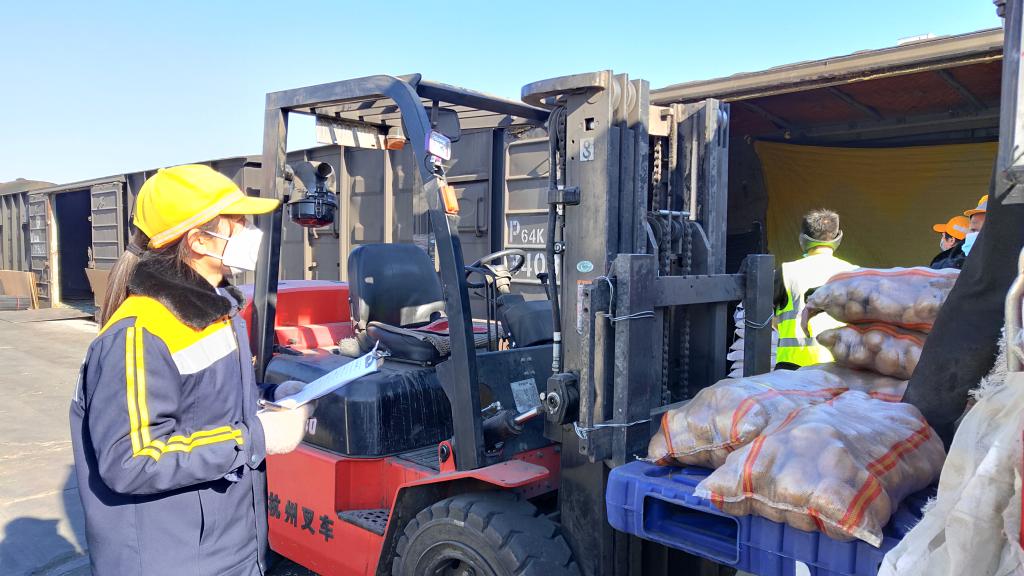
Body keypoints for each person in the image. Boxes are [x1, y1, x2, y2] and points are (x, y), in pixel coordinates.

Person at [69, 165, 311, 576]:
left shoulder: (215, 310)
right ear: (198, 240)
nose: (248, 230)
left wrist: (268, 398)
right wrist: (257, 437)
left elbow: (204, 402)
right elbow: (131, 459)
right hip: (173, 559)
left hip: (231, 547)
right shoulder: (139, 334)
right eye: (236, 220)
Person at [774, 208, 857, 367]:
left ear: (802, 239)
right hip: (838, 367)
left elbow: (763, 317)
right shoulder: (853, 273)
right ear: (838, 237)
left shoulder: (786, 271)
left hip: (792, 367)